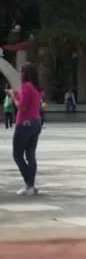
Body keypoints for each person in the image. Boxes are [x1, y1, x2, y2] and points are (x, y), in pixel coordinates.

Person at [7, 63, 43, 195]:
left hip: (25, 123)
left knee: (17, 154)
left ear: (25, 73)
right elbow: (28, 102)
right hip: (36, 122)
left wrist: (12, 95)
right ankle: (30, 187)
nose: (19, 73)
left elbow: (22, 107)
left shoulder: (26, 86)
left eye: (21, 71)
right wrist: (17, 95)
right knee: (30, 154)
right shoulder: (37, 88)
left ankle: (29, 184)